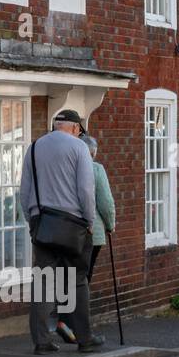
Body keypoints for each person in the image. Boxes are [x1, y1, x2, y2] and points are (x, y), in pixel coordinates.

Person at [19, 109, 104, 354]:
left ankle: (42, 342)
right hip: (72, 225)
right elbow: (86, 190)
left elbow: (23, 191)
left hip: (42, 222)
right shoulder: (78, 148)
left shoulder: (34, 148)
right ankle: (85, 338)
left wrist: (31, 219)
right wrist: (89, 220)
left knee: (43, 282)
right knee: (77, 280)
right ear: (76, 129)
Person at [54, 133, 116, 341]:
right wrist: (111, 225)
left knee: (66, 278)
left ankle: (64, 321)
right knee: (82, 281)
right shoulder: (96, 169)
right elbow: (105, 203)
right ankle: (78, 329)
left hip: (63, 231)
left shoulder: (63, 169)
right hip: (91, 233)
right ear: (92, 153)